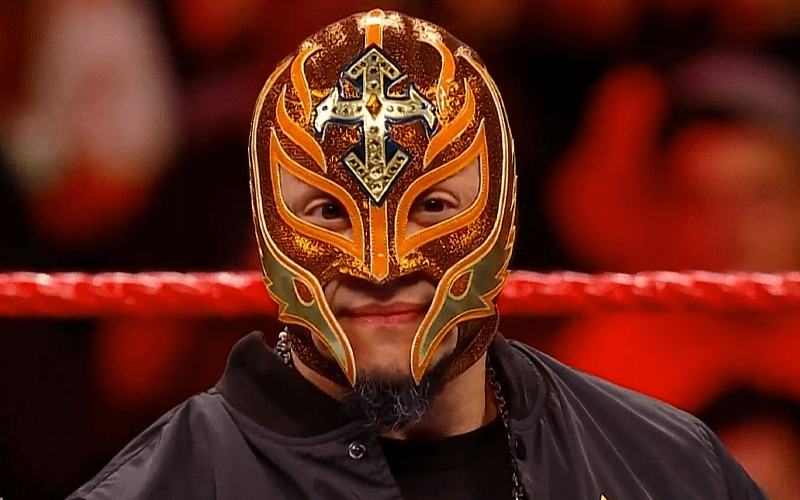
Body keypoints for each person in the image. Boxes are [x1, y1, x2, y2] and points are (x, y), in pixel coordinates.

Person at [67, 10, 767, 500]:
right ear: (268, 240)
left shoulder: (664, 465)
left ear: (501, 217)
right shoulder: (166, 486)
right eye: (330, 212)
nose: (381, 264)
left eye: (431, 206)